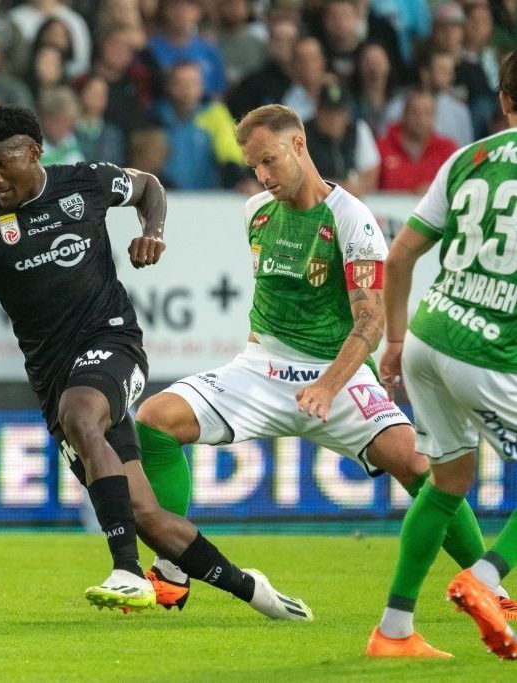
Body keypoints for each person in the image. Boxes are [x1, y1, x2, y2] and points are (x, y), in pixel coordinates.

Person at [0, 103, 312, 619]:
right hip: (52, 376)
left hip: (113, 342)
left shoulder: (84, 182)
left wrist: (153, 230)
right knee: (145, 514)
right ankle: (254, 591)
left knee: (81, 412)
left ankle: (127, 571)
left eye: (2, 162)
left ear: (34, 153)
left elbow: (149, 185)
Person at [134, 103, 492, 613]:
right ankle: (172, 569)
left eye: (269, 160)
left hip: (336, 376)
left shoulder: (352, 219)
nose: (262, 176)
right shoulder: (256, 212)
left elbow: (370, 321)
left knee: (420, 465)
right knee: (154, 419)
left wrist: (327, 385)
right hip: (261, 369)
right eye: (254, 166)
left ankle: (491, 590)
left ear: (298, 145)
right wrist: (261, 361)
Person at [365, 49, 517, 660]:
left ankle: (393, 630)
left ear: (503, 101)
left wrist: (395, 339)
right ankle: (485, 579)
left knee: (449, 479)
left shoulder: (467, 158)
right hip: (485, 349)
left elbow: (400, 255)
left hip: (428, 336)